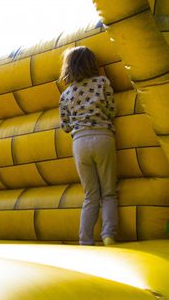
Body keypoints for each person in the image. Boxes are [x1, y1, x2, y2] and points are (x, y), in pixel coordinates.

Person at [58, 46, 117, 246]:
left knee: (90, 195)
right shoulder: (102, 82)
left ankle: (85, 240)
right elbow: (111, 110)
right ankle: (108, 234)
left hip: (80, 142)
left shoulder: (66, 94)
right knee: (108, 192)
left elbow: (65, 125)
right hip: (103, 137)